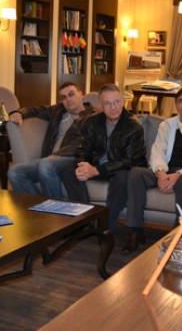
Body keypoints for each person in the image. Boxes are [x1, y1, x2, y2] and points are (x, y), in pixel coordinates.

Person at [122, 87, 182, 254]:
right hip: (166, 170)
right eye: (180, 101)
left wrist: (178, 175)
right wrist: (161, 173)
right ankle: (136, 231)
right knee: (136, 173)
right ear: (176, 104)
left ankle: (178, 234)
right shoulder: (166, 125)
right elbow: (157, 152)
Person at [60, 83, 146, 229]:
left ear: (123, 102)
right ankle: (84, 218)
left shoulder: (133, 126)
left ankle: (106, 226)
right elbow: (82, 149)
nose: (113, 107)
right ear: (100, 105)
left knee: (123, 177)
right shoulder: (92, 121)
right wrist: (83, 165)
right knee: (68, 170)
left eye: (116, 102)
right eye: (107, 103)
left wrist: (97, 170)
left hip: (118, 169)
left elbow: (129, 160)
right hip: (96, 166)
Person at [7, 82, 96, 198]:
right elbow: (36, 109)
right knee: (14, 172)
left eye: (71, 94)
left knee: (46, 164)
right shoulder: (58, 111)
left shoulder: (92, 116)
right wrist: (19, 113)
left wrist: (58, 155)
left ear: (81, 94)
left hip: (72, 159)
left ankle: (55, 208)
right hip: (49, 160)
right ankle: (40, 206)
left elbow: (84, 142)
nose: (68, 99)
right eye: (63, 97)